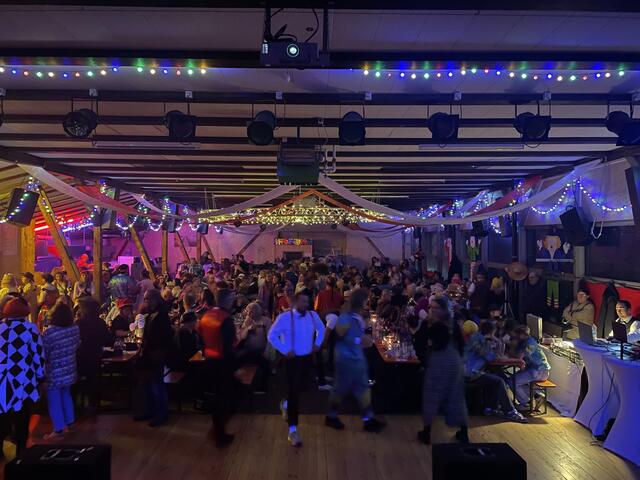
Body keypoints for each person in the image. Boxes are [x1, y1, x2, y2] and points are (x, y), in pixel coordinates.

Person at [268, 291, 325, 447]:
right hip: (292, 361)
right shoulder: (285, 317)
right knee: (294, 394)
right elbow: (271, 335)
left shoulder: (313, 315)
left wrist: (317, 344)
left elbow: (322, 329)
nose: (305, 304)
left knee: (303, 388)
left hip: (307, 359)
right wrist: (285, 350)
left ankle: (285, 404)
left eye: (307, 301)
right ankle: (292, 430)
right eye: (302, 301)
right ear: (295, 302)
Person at [324, 288, 385, 433]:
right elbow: (345, 336)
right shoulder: (347, 317)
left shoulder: (353, 315)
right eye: (366, 300)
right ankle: (333, 417)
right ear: (361, 301)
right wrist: (362, 340)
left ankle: (367, 420)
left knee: (358, 388)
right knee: (344, 389)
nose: (368, 302)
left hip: (353, 358)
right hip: (348, 360)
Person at [0, 297, 44, 454]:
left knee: (2, 415)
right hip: (23, 378)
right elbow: (38, 354)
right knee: (22, 416)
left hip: (2, 378)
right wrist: (40, 375)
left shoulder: (0, 328)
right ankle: (20, 451)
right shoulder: (30, 329)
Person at [418, 316, 468, 445]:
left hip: (439, 362)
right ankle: (464, 433)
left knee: (431, 398)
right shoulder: (453, 325)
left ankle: (426, 432)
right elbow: (461, 345)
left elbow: (429, 343)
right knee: (457, 398)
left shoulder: (436, 325)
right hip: (455, 363)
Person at [465, 321, 527, 423]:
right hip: (471, 374)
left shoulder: (477, 337)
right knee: (499, 381)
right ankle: (510, 412)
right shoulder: (481, 341)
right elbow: (493, 359)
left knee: (497, 376)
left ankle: (490, 408)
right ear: (491, 332)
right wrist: (517, 361)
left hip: (467, 371)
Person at [199, 288, 237, 447]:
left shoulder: (206, 315)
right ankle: (220, 436)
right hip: (222, 363)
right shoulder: (225, 319)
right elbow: (229, 346)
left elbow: (200, 338)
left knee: (215, 396)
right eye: (232, 299)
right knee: (222, 398)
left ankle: (217, 428)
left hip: (208, 361)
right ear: (227, 301)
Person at [41, 302, 81, 440]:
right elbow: (77, 345)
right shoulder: (74, 328)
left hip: (54, 372)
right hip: (70, 369)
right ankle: (70, 423)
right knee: (66, 395)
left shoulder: (49, 333)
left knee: (54, 400)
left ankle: (58, 430)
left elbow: (44, 353)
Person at [134, 289, 173, 427]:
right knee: (149, 384)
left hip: (156, 353)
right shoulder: (153, 313)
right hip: (151, 353)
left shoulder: (161, 315)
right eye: (145, 299)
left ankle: (160, 414)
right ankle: (150, 411)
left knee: (157, 384)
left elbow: (162, 337)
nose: (146, 302)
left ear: (155, 299)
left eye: (148, 299)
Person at [75, 296, 110, 412]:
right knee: (94, 379)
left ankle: (79, 403)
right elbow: (106, 339)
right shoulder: (100, 323)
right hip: (96, 355)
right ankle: (93, 403)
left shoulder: (79, 323)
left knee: (81, 379)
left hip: (81, 357)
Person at [511, 325, 551, 408]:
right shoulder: (523, 341)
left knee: (512, 381)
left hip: (540, 371)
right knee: (514, 380)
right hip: (534, 370)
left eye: (518, 334)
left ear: (523, 335)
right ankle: (537, 396)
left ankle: (525, 403)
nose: (516, 336)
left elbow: (519, 357)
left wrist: (513, 345)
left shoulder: (530, 343)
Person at [235, 301, 270, 392]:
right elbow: (242, 337)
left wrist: (266, 351)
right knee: (236, 357)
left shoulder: (266, 321)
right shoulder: (248, 320)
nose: (248, 314)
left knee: (265, 364)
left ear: (257, 311)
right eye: (248, 311)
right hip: (249, 350)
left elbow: (269, 338)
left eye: (250, 311)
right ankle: (239, 384)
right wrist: (248, 328)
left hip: (260, 350)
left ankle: (262, 387)